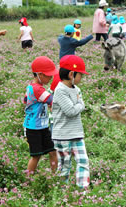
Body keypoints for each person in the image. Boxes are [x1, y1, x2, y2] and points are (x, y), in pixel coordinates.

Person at [52, 55, 90, 188]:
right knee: (64, 165)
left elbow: (78, 106)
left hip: (77, 133)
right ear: (71, 74)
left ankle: (83, 190)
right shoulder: (60, 90)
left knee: (83, 161)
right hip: (62, 135)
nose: (82, 78)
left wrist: (79, 105)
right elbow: (71, 111)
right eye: (81, 75)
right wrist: (80, 105)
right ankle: (61, 192)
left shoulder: (76, 89)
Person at [23, 56, 58, 175]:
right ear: (39, 74)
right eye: (48, 75)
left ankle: (54, 177)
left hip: (42, 126)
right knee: (36, 156)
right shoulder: (37, 89)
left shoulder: (32, 86)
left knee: (53, 151)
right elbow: (52, 100)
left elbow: (25, 100)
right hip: (33, 128)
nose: (51, 78)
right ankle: (28, 179)